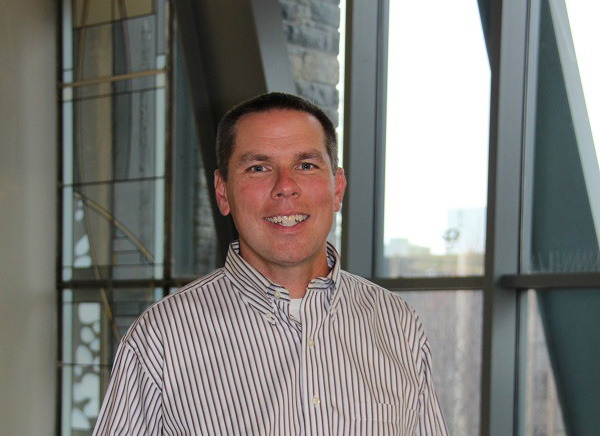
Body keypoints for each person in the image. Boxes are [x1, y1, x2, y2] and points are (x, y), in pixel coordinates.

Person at [92, 92, 448, 435]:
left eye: (305, 165)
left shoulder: (397, 325)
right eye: (259, 168)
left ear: (337, 188)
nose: (285, 187)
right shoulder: (161, 340)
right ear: (222, 192)